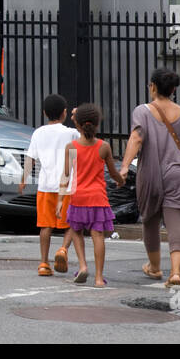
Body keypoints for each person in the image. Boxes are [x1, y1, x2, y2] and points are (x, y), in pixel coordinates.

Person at [118, 68, 180, 287]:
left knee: (150, 221)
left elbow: (136, 138)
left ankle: (155, 267)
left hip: (150, 174)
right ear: (174, 89)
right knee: (176, 223)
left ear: (152, 87)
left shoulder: (142, 111)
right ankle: (175, 272)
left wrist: (125, 166)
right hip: (177, 174)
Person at [59, 104, 124, 287]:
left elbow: (65, 175)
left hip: (77, 197)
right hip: (98, 198)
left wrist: (59, 202)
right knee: (98, 236)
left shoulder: (71, 147)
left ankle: (82, 266)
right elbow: (113, 173)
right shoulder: (104, 146)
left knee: (77, 233)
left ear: (78, 125)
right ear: (97, 125)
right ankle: (98, 278)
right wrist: (121, 180)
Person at [19, 93, 79, 276]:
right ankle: (63, 250)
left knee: (45, 225)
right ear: (64, 113)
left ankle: (44, 264)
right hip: (67, 186)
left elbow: (30, 159)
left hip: (45, 187)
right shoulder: (71, 133)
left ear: (45, 113)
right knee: (71, 224)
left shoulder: (38, 133)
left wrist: (23, 180)